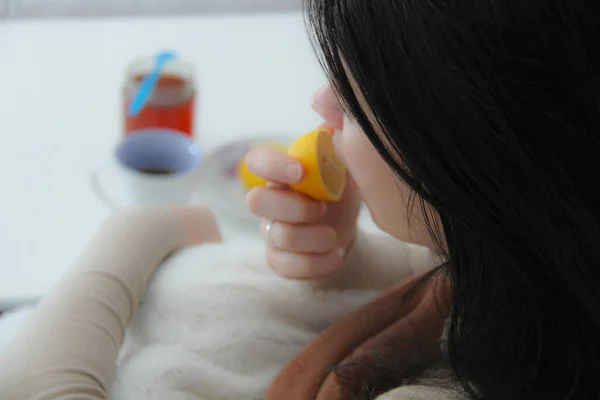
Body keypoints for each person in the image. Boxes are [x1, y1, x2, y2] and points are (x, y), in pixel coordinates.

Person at [1, 0, 599, 398]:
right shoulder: (541, 280)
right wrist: (351, 258)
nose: (322, 103)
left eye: (361, 88)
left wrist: (138, 231)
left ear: (473, 139)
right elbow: (448, 280)